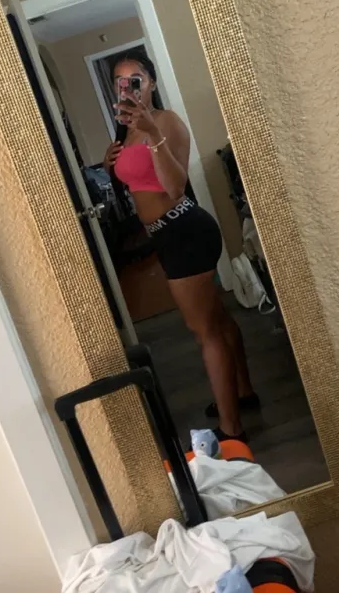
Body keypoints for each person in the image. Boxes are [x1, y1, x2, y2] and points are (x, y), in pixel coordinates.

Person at [103, 52, 259, 443]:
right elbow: (136, 182)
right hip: (167, 234)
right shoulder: (126, 131)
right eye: (121, 81)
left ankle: (231, 429)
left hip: (184, 231)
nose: (128, 87)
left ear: (151, 83)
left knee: (204, 330)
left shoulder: (166, 123)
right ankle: (243, 392)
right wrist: (110, 165)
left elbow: (174, 188)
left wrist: (153, 136)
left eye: (136, 79)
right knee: (216, 318)